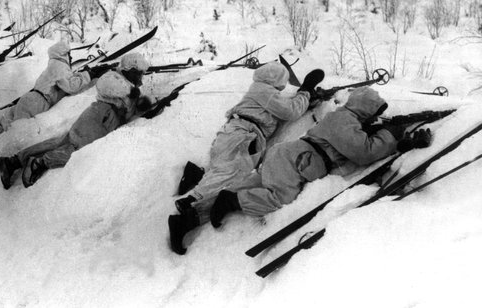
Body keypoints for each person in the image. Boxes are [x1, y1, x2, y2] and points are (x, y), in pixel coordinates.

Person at [169, 87, 433, 255]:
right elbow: (364, 152)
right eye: (375, 113)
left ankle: (188, 219)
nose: (376, 119)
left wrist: (403, 144)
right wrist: (391, 133)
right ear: (366, 109)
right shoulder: (344, 120)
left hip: (286, 156)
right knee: (277, 199)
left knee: (247, 186)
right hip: (296, 162)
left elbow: (361, 147)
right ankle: (231, 201)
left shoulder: (344, 119)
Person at [168, 62, 320, 255]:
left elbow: (282, 108)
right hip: (243, 136)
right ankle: (190, 200)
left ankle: (193, 187)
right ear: (276, 79)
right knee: (229, 174)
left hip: (235, 133)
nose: (283, 86)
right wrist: (306, 90)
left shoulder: (261, 92)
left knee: (224, 173)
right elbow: (290, 111)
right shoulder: (264, 91)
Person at [0, 53, 151, 190]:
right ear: (129, 69)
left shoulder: (128, 84)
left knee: (61, 142)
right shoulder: (114, 76)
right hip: (100, 117)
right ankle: (40, 163)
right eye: (138, 74)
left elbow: (130, 108)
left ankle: (13, 161)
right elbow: (104, 85)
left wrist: (141, 104)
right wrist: (131, 92)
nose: (140, 79)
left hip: (102, 119)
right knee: (79, 152)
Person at [0, 38, 112, 159]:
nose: (70, 57)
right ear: (64, 54)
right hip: (38, 102)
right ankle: (3, 153)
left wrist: (80, 73)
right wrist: (89, 74)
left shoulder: (53, 65)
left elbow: (66, 79)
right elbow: (70, 86)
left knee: (7, 121)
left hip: (29, 98)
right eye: (69, 54)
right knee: (16, 129)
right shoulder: (60, 66)